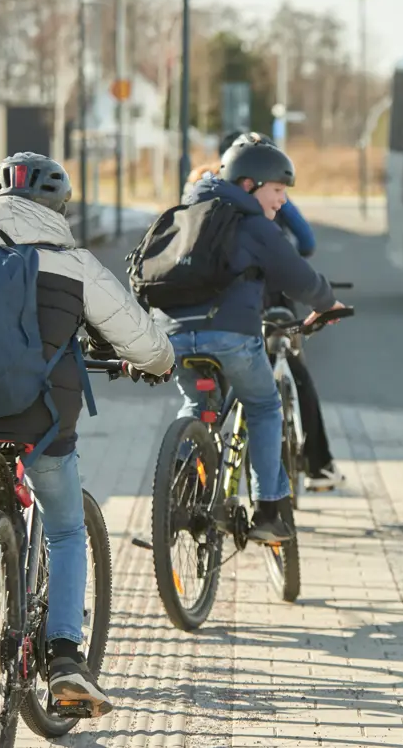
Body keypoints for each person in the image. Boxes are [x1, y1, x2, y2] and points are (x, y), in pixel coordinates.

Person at [0, 152, 175, 715]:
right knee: (68, 529)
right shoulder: (72, 261)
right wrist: (160, 362)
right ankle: (66, 658)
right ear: (57, 206)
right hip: (41, 419)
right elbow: (138, 336)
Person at [157, 135, 343, 542]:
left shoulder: (187, 211)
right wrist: (327, 302)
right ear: (248, 185)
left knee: (195, 404)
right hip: (231, 338)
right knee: (262, 405)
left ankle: (174, 495)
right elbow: (297, 276)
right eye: (277, 191)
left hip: (174, 336)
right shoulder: (251, 224)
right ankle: (269, 509)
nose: (281, 201)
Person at [211, 133, 345, 492]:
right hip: (270, 298)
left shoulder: (203, 200)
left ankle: (193, 474)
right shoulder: (261, 217)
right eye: (279, 189)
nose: (282, 198)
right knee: (288, 381)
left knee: (206, 402)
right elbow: (307, 244)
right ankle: (312, 470)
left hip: (199, 316)